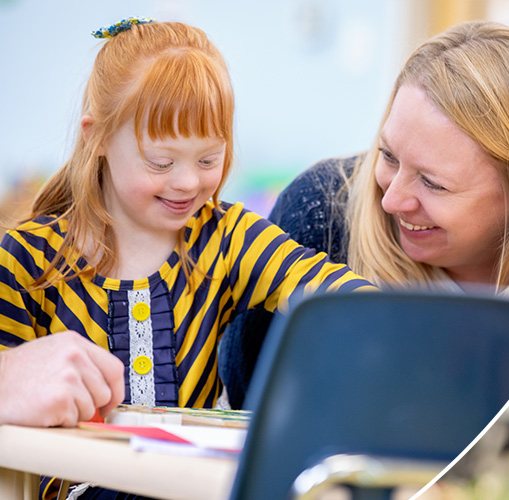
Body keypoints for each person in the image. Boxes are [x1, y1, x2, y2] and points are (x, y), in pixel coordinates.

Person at [0, 18, 373, 499]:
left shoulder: (226, 236)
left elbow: (325, 290)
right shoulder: (26, 260)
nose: (188, 183)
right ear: (97, 138)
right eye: (161, 162)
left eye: (209, 159)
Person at [220, 20, 509, 408]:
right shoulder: (318, 217)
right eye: (389, 156)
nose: (391, 201)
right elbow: (249, 404)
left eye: (433, 183)